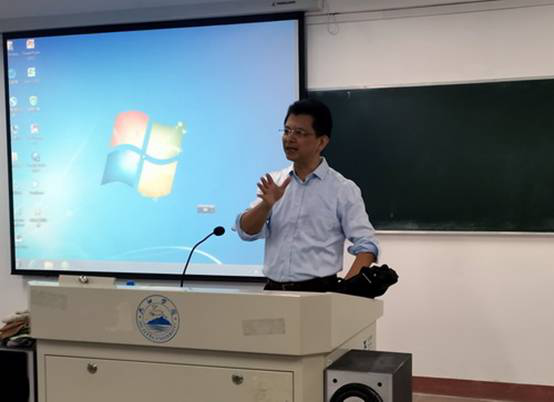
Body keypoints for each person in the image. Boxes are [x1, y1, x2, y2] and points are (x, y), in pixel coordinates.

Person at [235, 98, 379, 292]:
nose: (289, 138)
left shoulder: (342, 189)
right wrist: (266, 205)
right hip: (273, 291)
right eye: (287, 131)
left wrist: (344, 292)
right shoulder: (275, 182)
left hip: (318, 292)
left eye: (299, 133)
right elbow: (246, 231)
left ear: (321, 141)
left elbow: (367, 246)